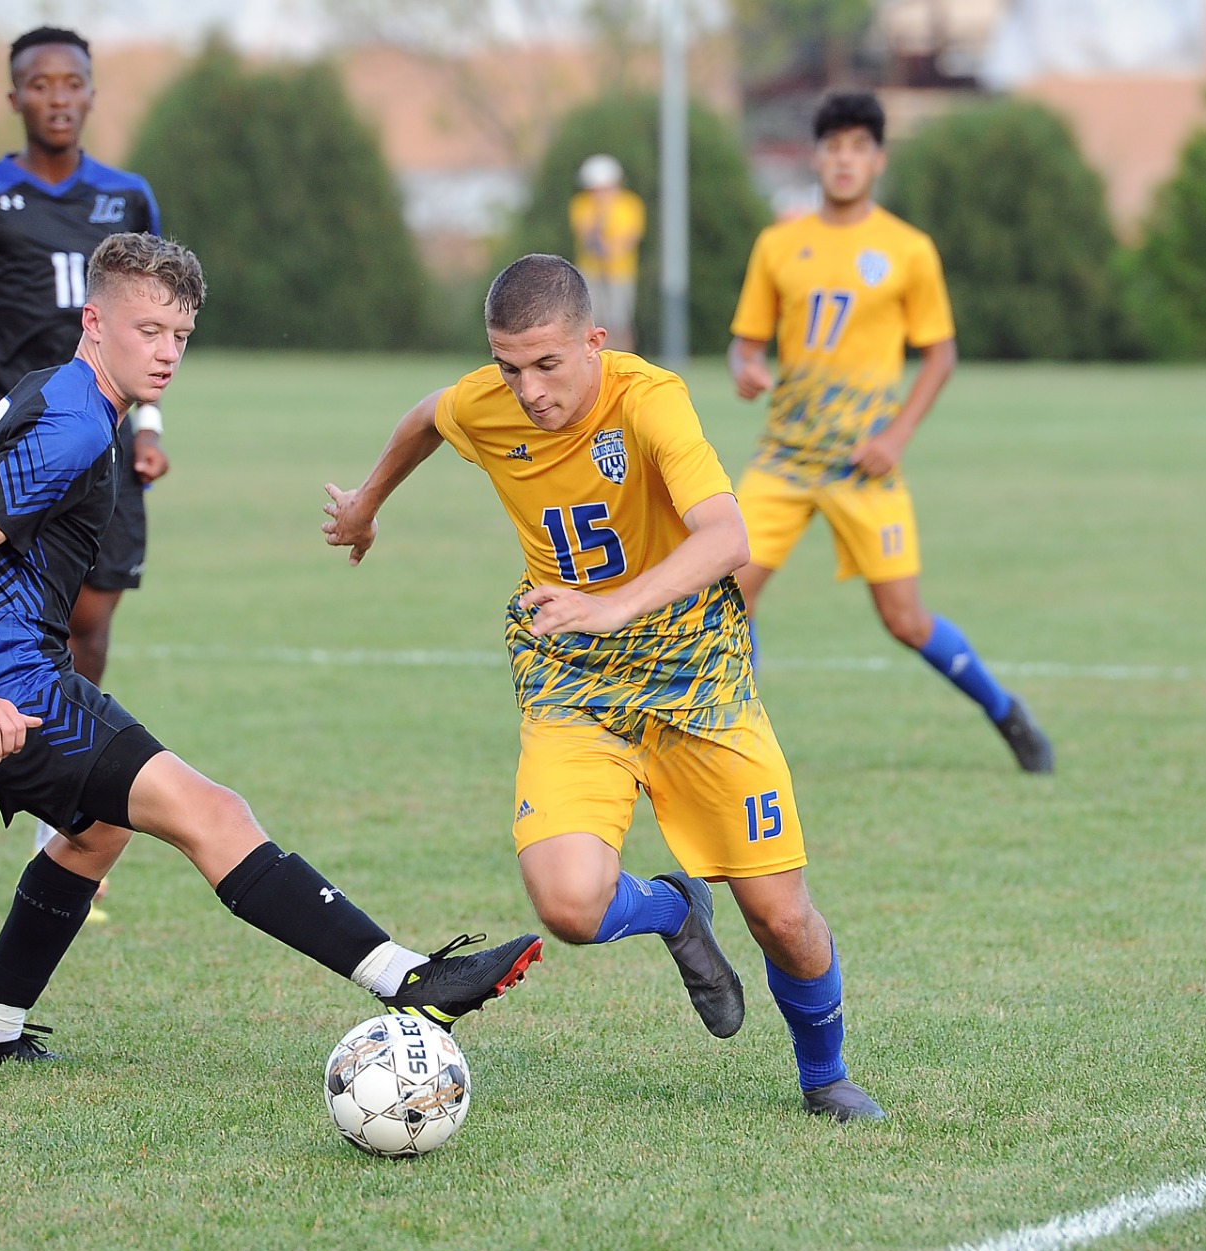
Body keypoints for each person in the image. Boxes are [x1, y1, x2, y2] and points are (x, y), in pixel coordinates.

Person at [0, 232, 542, 1066]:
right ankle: (411, 980)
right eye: (147, 331)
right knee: (213, 812)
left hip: (21, 670)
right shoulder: (71, 425)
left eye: (180, 335)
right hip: (0, 680)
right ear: (94, 322)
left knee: (98, 832)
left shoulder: (64, 394)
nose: (167, 352)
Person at [323, 255, 884, 1121]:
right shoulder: (490, 400)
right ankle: (671, 909)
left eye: (548, 363)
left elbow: (728, 536)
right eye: (510, 366)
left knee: (779, 916)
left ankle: (826, 1075)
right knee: (571, 907)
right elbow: (428, 418)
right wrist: (366, 502)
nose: (529, 389)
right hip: (573, 683)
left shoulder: (648, 399)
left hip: (698, 680)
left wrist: (611, 606)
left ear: (595, 340)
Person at [0, 25, 167, 885]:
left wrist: (153, 426)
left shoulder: (127, 196)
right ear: (13, 97)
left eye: (73, 82)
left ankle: (62, 800)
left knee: (88, 626)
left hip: (108, 450)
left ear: (92, 93)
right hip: (18, 455)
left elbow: (154, 313)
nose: (58, 97)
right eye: (40, 84)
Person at [727, 91, 1052, 773]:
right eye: (832, 146)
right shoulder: (778, 243)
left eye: (858, 147)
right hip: (784, 459)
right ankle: (741, 748)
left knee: (904, 619)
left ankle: (1005, 711)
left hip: (863, 465)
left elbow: (941, 354)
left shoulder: (908, 250)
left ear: (877, 159)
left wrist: (897, 437)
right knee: (729, 593)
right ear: (815, 157)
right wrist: (747, 366)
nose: (844, 161)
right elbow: (745, 343)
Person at [568, 154, 645, 353]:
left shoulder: (630, 204)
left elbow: (630, 238)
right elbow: (587, 237)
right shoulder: (582, 204)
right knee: (592, 321)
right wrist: (601, 212)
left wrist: (611, 250)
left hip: (620, 273)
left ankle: (624, 360)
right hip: (591, 272)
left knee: (620, 321)